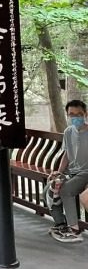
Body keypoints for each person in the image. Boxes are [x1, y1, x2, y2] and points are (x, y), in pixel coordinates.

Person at [48, 99, 88, 243]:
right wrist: (59, 172)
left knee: (66, 190)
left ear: (85, 114)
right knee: (51, 188)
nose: (75, 117)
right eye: (71, 114)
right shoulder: (68, 131)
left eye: (79, 114)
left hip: (85, 173)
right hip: (71, 172)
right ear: (67, 115)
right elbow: (66, 154)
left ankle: (75, 229)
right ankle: (61, 224)